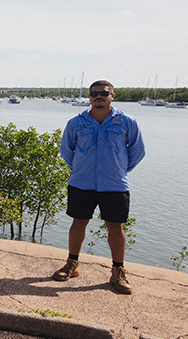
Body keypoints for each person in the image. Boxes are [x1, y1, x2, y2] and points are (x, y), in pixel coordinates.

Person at [53, 80, 145, 294]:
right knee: (78, 223)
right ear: (90, 97)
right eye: (95, 94)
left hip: (114, 184)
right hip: (82, 182)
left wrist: (119, 170)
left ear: (113, 95)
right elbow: (67, 151)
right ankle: (72, 265)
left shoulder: (127, 122)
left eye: (104, 93)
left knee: (115, 227)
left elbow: (138, 151)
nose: (99, 97)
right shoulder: (76, 122)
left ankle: (118, 272)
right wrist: (80, 169)